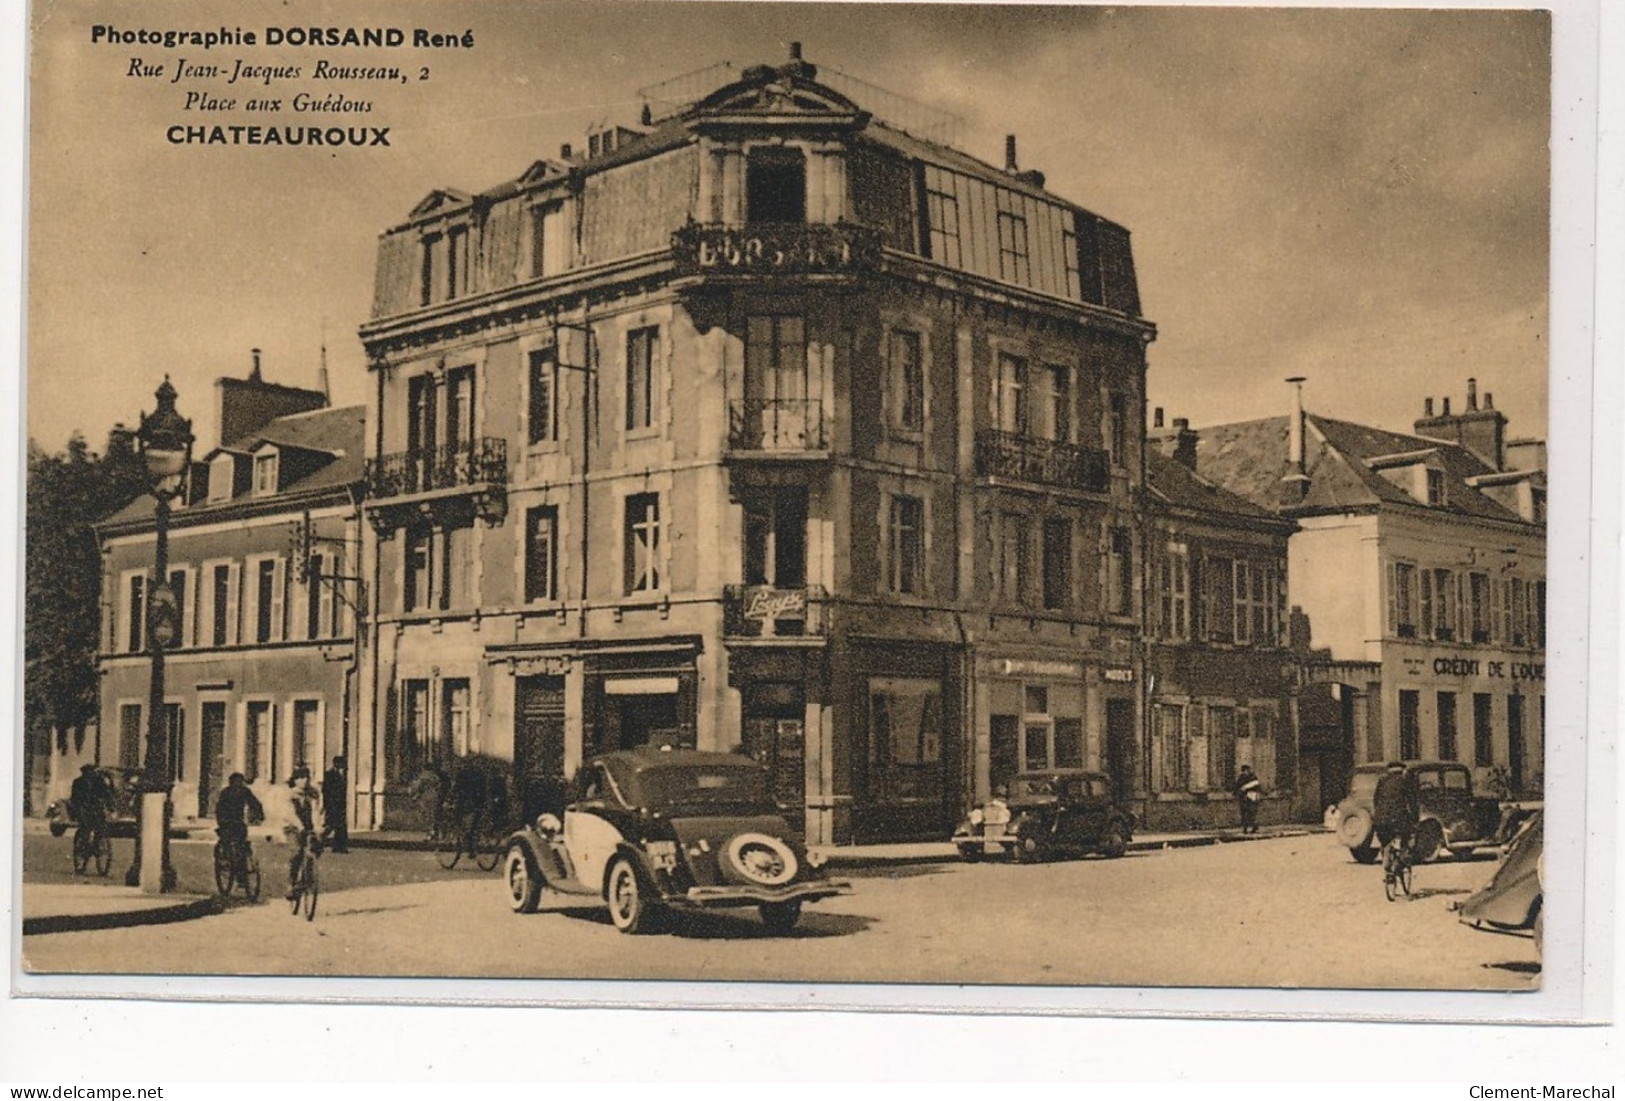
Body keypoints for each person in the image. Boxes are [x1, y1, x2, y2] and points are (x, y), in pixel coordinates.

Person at [286, 766, 323, 897]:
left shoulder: (313, 793)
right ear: (295, 780)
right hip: (292, 827)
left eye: (307, 777)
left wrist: (317, 826)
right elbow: (290, 813)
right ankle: (291, 883)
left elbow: (315, 810)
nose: (304, 780)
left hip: (308, 827)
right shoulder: (290, 794)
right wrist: (299, 825)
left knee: (316, 847)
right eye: (301, 777)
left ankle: (308, 876)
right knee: (296, 852)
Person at [1371, 760, 1420, 859]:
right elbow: (1412, 801)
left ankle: (1387, 857)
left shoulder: (1382, 781)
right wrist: (1415, 819)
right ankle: (1401, 861)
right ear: (1402, 770)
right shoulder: (1405, 781)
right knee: (1406, 836)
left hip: (1380, 821)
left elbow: (1376, 800)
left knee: (1385, 841)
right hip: (1397, 821)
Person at [214, 772, 265, 859]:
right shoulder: (237, 791)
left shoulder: (239, 791)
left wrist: (259, 815)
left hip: (234, 822)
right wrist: (259, 816)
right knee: (230, 842)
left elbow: (254, 804)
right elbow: (219, 808)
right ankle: (226, 858)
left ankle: (234, 858)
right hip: (230, 822)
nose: (237, 785)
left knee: (239, 842)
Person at [69, 765, 112, 836]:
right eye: (87, 772)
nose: (90, 773)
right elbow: (74, 797)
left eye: (91, 771)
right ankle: (83, 842)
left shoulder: (99, 781)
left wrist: (109, 806)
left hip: (95, 807)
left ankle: (98, 842)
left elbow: (106, 794)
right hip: (82, 807)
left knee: (100, 827)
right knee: (85, 827)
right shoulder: (78, 782)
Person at [322, 755, 349, 854]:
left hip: (340, 805)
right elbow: (325, 791)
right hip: (332, 804)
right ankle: (317, 842)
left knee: (340, 826)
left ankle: (339, 847)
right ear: (337, 764)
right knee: (330, 826)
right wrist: (326, 805)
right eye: (342, 763)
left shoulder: (341, 775)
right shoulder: (329, 774)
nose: (344, 765)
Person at [1233, 764, 1264, 834]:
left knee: (1251, 813)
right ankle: (1245, 828)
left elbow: (1257, 786)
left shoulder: (1253, 777)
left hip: (1252, 797)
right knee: (1244, 813)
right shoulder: (1241, 778)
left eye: (1246, 771)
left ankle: (1253, 827)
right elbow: (1237, 786)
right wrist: (1235, 793)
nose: (1245, 772)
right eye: (1244, 771)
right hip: (1243, 798)